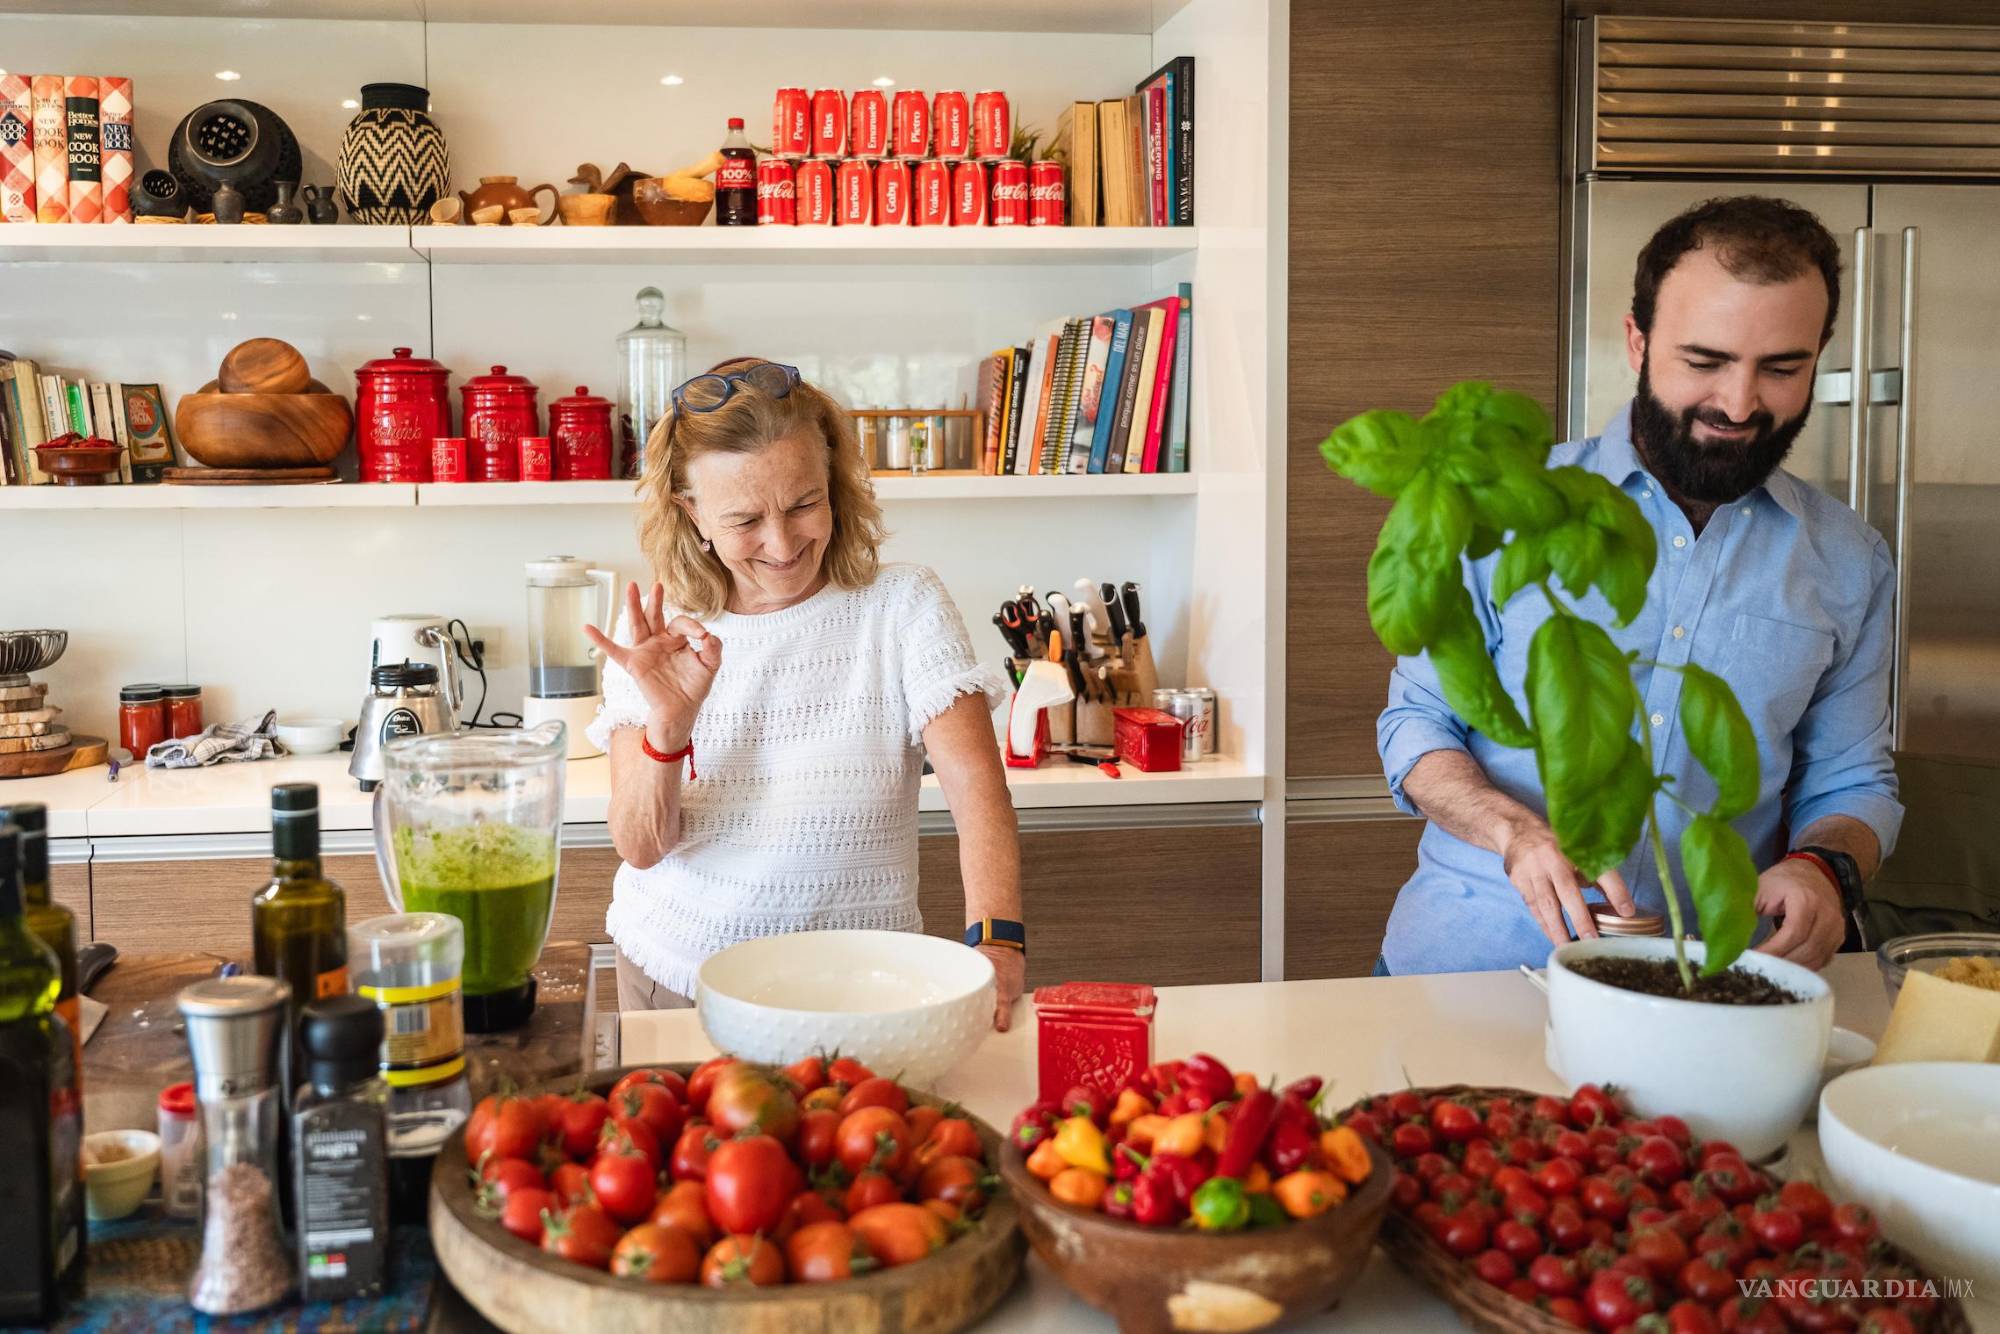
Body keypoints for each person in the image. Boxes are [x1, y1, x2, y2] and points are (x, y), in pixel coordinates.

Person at [1377, 195, 1901, 975]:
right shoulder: (1505, 510)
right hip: (1471, 970)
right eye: (1705, 361)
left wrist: (1824, 867)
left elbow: (1853, 777)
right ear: (1637, 340)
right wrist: (1512, 831)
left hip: (1715, 987)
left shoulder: (1850, 559)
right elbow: (1417, 726)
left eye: (1782, 367)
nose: (1739, 402)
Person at [584, 357, 1026, 1027]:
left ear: (836, 486)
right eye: (743, 521)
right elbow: (643, 847)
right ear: (692, 513)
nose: (783, 543)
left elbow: (977, 788)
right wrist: (668, 728)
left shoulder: (903, 605)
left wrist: (996, 941)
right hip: (678, 980)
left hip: (864, 987)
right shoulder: (658, 629)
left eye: (803, 504)